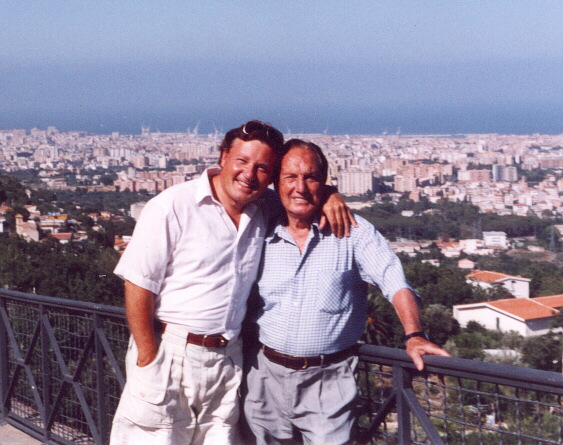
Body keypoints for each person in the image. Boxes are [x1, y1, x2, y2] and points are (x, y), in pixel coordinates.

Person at [110, 122, 353, 445]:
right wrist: (147, 358)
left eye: (262, 168)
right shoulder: (173, 206)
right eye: (242, 161)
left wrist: (330, 194)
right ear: (223, 157)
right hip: (170, 353)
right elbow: (138, 285)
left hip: (228, 361)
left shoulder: (262, 207)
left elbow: (299, 191)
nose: (249, 174)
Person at [243, 139, 450, 445]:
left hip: (328, 383)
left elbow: (394, 282)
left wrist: (414, 335)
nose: (300, 187)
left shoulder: (353, 232)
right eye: (290, 177)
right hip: (263, 377)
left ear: (324, 183)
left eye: (311, 178)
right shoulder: (259, 226)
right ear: (276, 182)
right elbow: (221, 181)